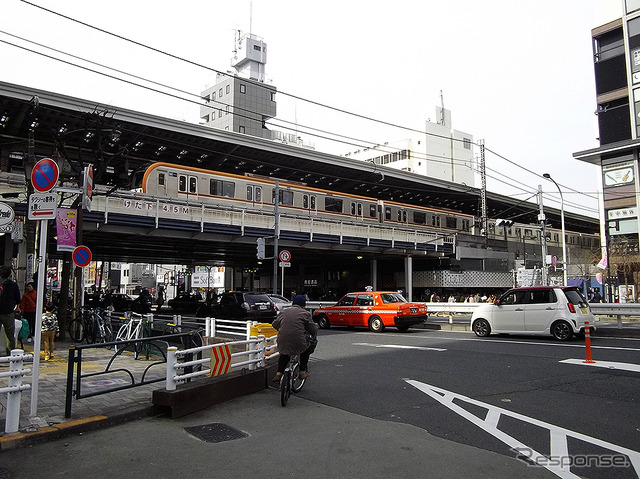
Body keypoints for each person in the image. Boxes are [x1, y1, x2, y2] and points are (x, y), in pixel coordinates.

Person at [272, 295, 318, 383]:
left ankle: (278, 374)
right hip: (298, 341)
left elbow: (274, 324)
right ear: (303, 304)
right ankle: (302, 372)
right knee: (306, 350)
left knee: (284, 353)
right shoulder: (305, 313)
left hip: (282, 339)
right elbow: (313, 329)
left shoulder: (284, 312)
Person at [0, 265, 22, 355]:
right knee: (10, 336)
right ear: (9, 274)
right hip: (8, 312)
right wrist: (17, 306)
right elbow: (18, 299)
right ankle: (11, 355)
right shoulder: (13, 285)